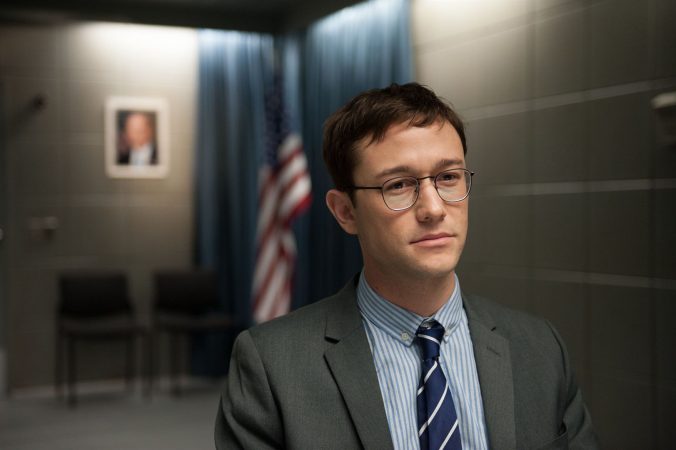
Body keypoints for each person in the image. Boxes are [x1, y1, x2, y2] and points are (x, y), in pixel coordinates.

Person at [215, 83, 598, 449]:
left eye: (448, 177)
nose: (433, 208)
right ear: (345, 212)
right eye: (398, 185)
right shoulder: (271, 367)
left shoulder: (541, 348)